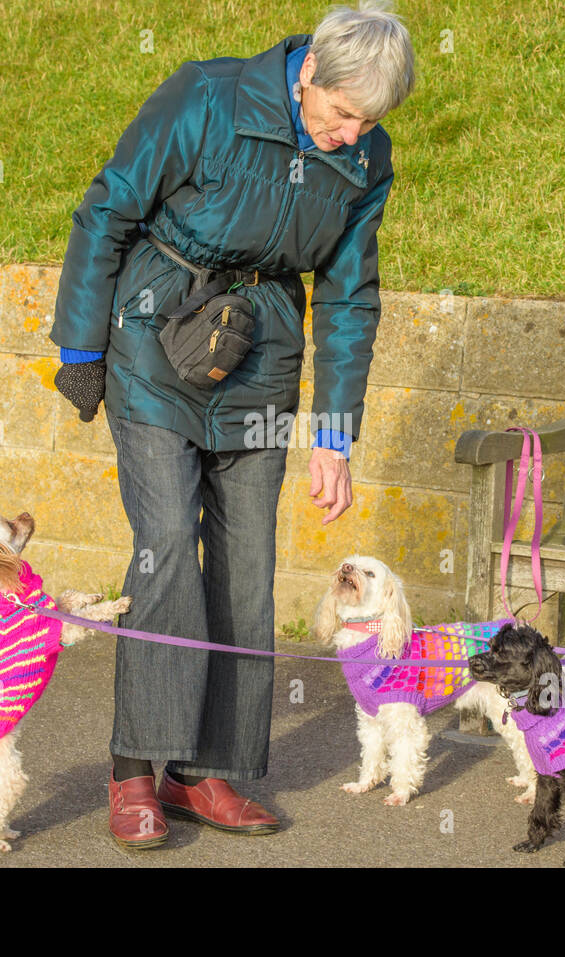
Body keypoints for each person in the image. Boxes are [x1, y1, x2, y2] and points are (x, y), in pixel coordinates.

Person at [49, 1, 415, 848]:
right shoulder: (207, 98)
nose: (349, 133)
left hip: (260, 357)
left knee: (246, 567)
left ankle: (204, 773)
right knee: (168, 546)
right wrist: (80, 344)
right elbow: (108, 206)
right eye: (340, 113)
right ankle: (135, 766)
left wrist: (333, 431)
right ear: (309, 73)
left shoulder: (368, 155)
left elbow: (350, 293)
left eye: (368, 121)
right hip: (154, 335)